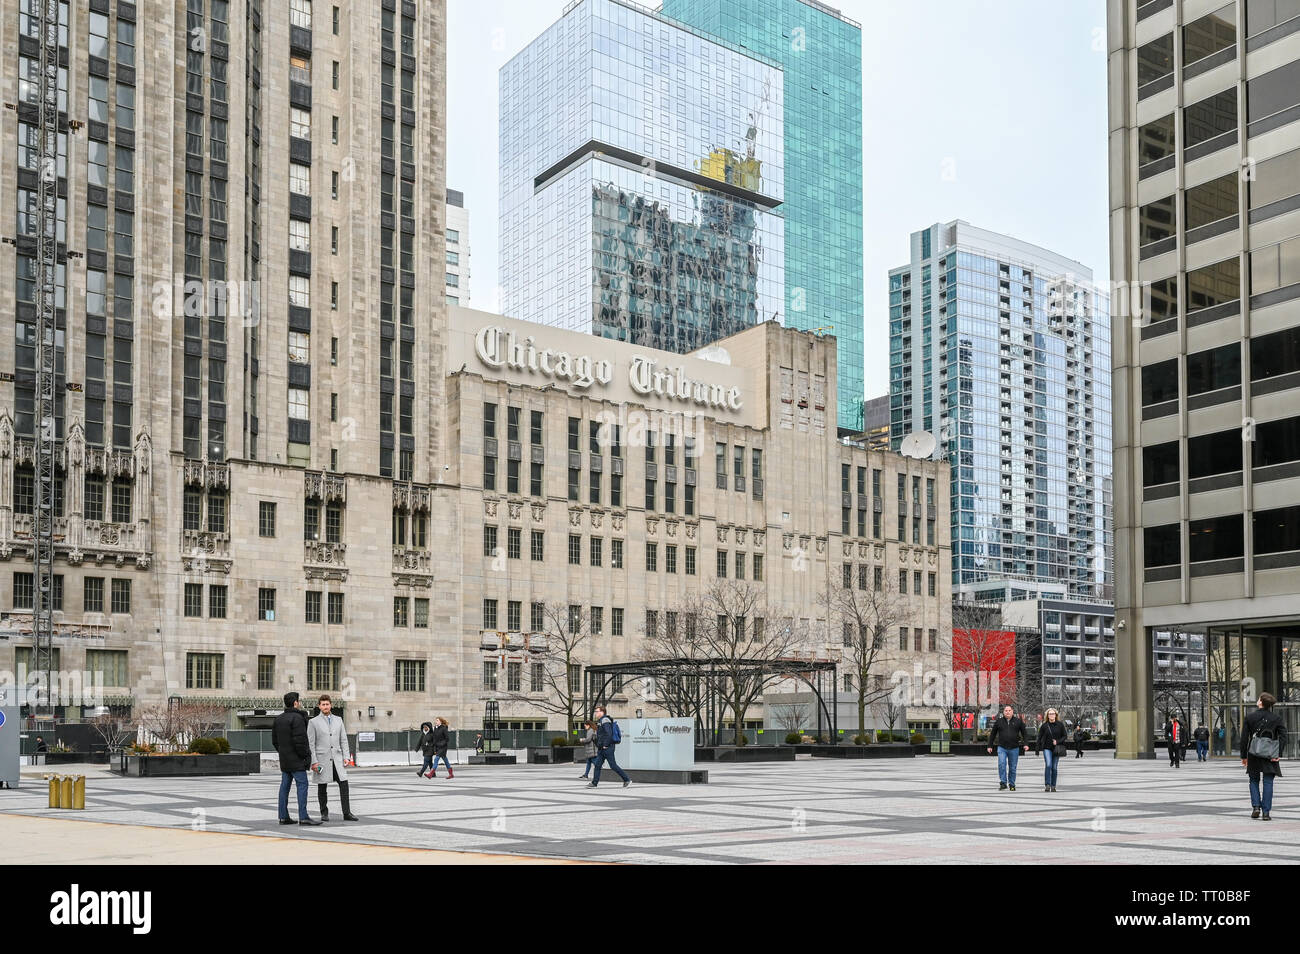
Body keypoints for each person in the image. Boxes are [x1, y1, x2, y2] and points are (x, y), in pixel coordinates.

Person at [272, 692, 320, 826]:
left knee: (284, 787)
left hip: (285, 760)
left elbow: (275, 741)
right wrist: (305, 756)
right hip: (297, 760)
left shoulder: (278, 719)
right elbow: (301, 741)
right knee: (302, 786)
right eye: (298, 701)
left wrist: (283, 752)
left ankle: (283, 816)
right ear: (295, 703)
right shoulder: (297, 718)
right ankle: (303, 816)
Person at [308, 694, 358, 821]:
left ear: (331, 705)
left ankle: (347, 813)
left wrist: (346, 756)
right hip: (322, 761)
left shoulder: (339, 720)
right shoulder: (313, 722)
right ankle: (324, 813)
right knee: (322, 787)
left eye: (327, 704)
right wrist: (314, 762)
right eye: (323, 704)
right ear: (319, 706)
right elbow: (311, 744)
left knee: (344, 784)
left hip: (337, 759)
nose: (325, 706)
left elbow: (344, 740)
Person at [1241, 692, 1287, 820]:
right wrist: (1278, 753)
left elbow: (1244, 738)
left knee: (1253, 780)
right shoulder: (1276, 718)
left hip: (1254, 753)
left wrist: (1243, 756)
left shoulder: (1250, 717)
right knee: (1268, 782)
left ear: (1261, 702)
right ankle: (1266, 813)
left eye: (1259, 699)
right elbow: (1283, 736)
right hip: (1270, 754)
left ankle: (1256, 807)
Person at [986, 704, 1030, 791]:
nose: (1008, 712)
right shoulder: (999, 721)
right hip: (1002, 747)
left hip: (1014, 748)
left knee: (1012, 767)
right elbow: (993, 734)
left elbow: (1024, 733)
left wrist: (1026, 744)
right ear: (1003, 712)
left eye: (1009, 710)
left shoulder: (1018, 721)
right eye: (1006, 710)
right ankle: (1003, 782)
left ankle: (1012, 784)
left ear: (1012, 712)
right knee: (1001, 764)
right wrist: (989, 745)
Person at [588, 706, 630, 789]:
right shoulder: (601, 721)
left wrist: (606, 745)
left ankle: (627, 779)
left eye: (597, 711)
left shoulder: (605, 720)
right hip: (602, 748)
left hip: (607, 747)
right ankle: (594, 783)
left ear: (602, 712)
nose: (596, 713)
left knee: (613, 765)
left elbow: (608, 733)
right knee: (597, 765)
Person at [1038, 708, 1068, 792]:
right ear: (1047, 715)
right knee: (1048, 765)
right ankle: (1047, 784)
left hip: (1056, 749)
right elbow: (1039, 737)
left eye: (1053, 714)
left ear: (1056, 715)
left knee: (1054, 767)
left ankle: (1053, 785)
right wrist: (1037, 749)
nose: (1051, 715)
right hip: (1047, 748)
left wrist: (1057, 741)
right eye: (1050, 714)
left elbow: (1065, 736)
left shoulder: (1060, 724)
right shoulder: (1044, 725)